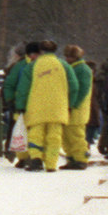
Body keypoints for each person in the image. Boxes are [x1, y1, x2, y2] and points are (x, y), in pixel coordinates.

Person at [21, 41, 71, 171]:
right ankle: (51, 164)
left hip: (37, 107)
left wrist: (20, 105)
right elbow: (74, 86)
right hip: (58, 108)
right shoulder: (63, 65)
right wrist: (70, 103)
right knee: (54, 137)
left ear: (41, 51)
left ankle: (36, 160)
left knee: (36, 135)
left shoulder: (32, 66)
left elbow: (23, 89)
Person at [62, 43, 93, 170]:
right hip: (70, 106)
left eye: (70, 57)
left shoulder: (82, 69)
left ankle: (80, 159)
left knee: (76, 134)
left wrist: (73, 103)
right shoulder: (73, 68)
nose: (67, 59)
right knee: (67, 135)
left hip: (77, 108)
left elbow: (83, 89)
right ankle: (72, 158)